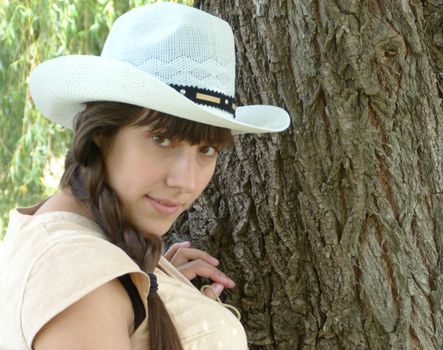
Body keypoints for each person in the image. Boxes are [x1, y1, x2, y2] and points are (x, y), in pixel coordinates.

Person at [0, 2, 290, 350]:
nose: (184, 180)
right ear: (102, 135)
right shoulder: (83, 282)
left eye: (206, 150)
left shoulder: (90, 257)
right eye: (161, 139)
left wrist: (158, 291)